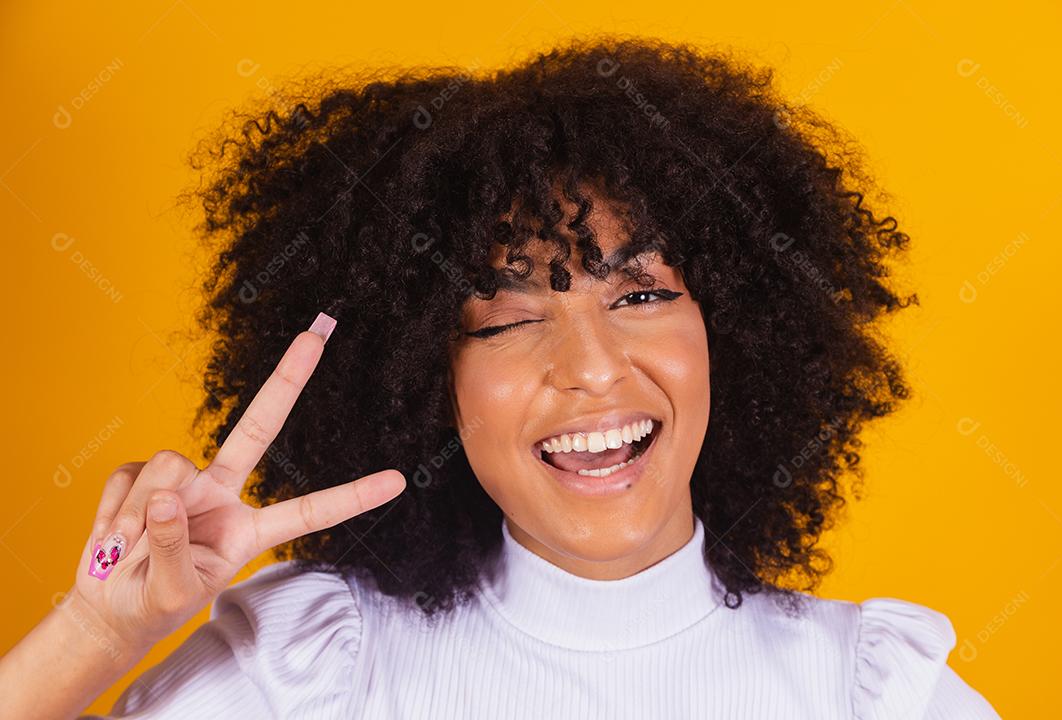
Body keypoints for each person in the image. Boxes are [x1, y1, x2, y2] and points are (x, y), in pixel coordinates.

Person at [1, 36, 1001, 718]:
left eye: (641, 296)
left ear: (732, 330)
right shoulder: (313, 670)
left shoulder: (871, 692)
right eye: (513, 317)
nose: (593, 368)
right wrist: (97, 626)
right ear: (423, 381)